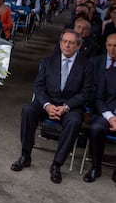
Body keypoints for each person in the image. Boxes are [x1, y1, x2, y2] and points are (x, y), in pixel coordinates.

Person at [10, 29, 93, 184]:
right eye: (64, 41)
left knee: (74, 121)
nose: (67, 45)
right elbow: (38, 86)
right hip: (47, 103)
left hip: (70, 107)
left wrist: (66, 107)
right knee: (28, 110)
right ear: (60, 43)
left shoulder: (86, 65)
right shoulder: (48, 61)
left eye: (71, 43)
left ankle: (56, 164)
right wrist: (47, 105)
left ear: (78, 46)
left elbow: (86, 93)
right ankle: (25, 155)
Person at [84, 33, 116, 183]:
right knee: (96, 128)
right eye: (110, 45)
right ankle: (96, 167)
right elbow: (98, 98)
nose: (113, 49)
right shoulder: (107, 73)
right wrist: (111, 118)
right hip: (105, 113)